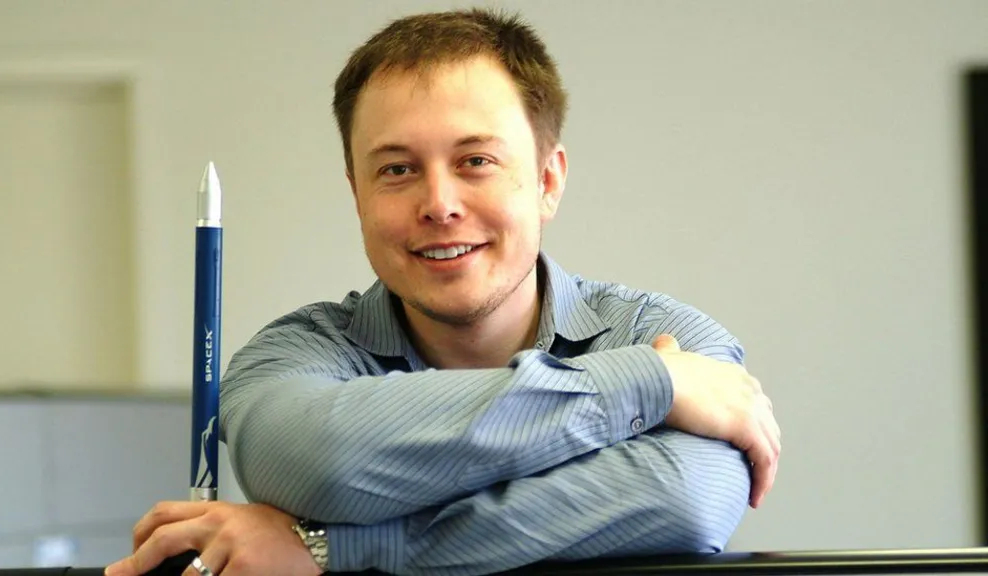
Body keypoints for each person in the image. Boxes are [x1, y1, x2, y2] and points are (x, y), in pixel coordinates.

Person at [106, 7, 780, 576]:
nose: (439, 203)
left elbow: (686, 499)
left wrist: (335, 547)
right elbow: (324, 464)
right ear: (358, 193)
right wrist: (642, 387)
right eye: (396, 169)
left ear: (548, 180)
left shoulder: (673, 338)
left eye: (475, 162)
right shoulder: (287, 357)